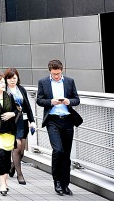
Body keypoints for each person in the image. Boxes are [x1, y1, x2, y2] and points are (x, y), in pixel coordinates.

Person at [36, 59, 82, 196]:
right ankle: (56, 181)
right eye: (54, 74)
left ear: (62, 70)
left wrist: (69, 101)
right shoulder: (43, 82)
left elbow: (77, 99)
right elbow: (39, 100)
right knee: (58, 150)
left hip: (67, 121)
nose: (56, 76)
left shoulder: (69, 81)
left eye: (58, 73)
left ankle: (65, 184)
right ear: (50, 71)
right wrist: (51, 102)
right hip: (52, 120)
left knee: (66, 154)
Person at [4, 68, 36, 185]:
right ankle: (20, 174)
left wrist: (32, 121)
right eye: (9, 78)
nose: (12, 80)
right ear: (6, 79)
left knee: (22, 151)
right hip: (11, 122)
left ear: (17, 78)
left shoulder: (21, 89)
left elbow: (27, 106)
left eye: (14, 78)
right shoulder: (4, 90)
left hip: (23, 121)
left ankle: (13, 165)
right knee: (16, 147)